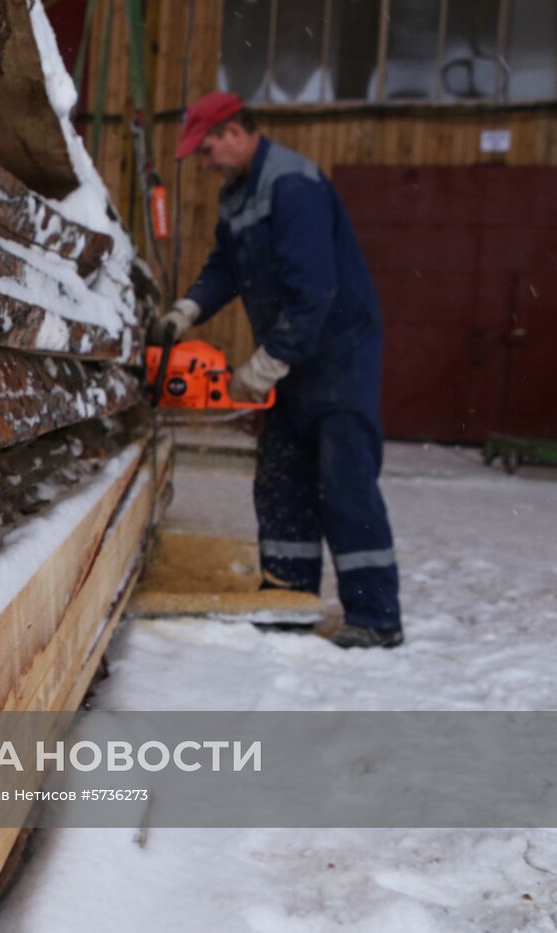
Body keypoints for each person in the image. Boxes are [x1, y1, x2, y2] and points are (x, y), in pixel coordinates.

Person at [150, 91, 403, 649]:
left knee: (344, 484)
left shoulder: (293, 186)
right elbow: (225, 267)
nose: (204, 161)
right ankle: (287, 600)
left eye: (207, 148)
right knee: (281, 482)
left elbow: (313, 293)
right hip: (291, 360)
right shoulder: (238, 195)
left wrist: (262, 367)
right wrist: (185, 312)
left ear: (236, 132)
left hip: (338, 357)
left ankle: (376, 617)